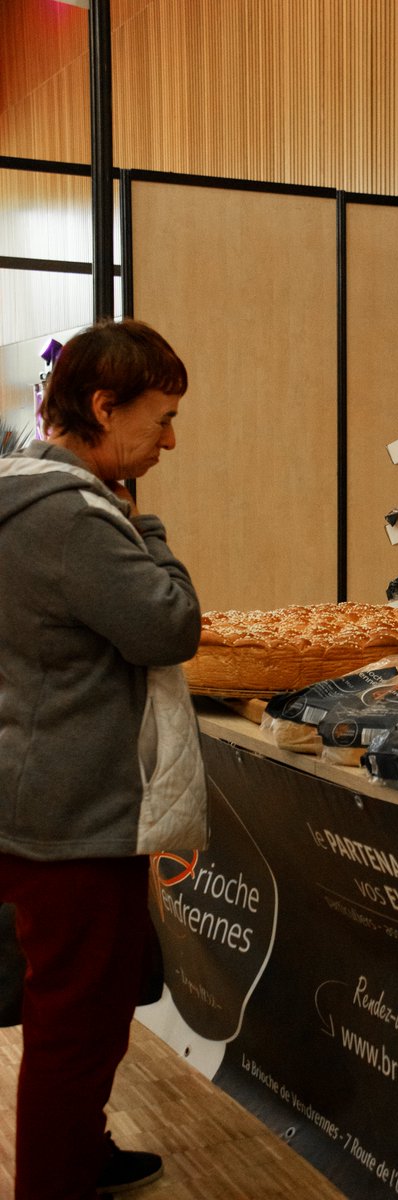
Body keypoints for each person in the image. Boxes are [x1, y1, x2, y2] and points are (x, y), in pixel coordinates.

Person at [0, 318, 207, 1199]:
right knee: (75, 1023)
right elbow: (169, 625)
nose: (170, 440)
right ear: (103, 406)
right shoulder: (77, 517)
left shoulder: (15, 489)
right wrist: (147, 525)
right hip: (71, 810)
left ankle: (78, 1153)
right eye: (161, 419)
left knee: (86, 1002)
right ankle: (58, 1179)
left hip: (32, 786)